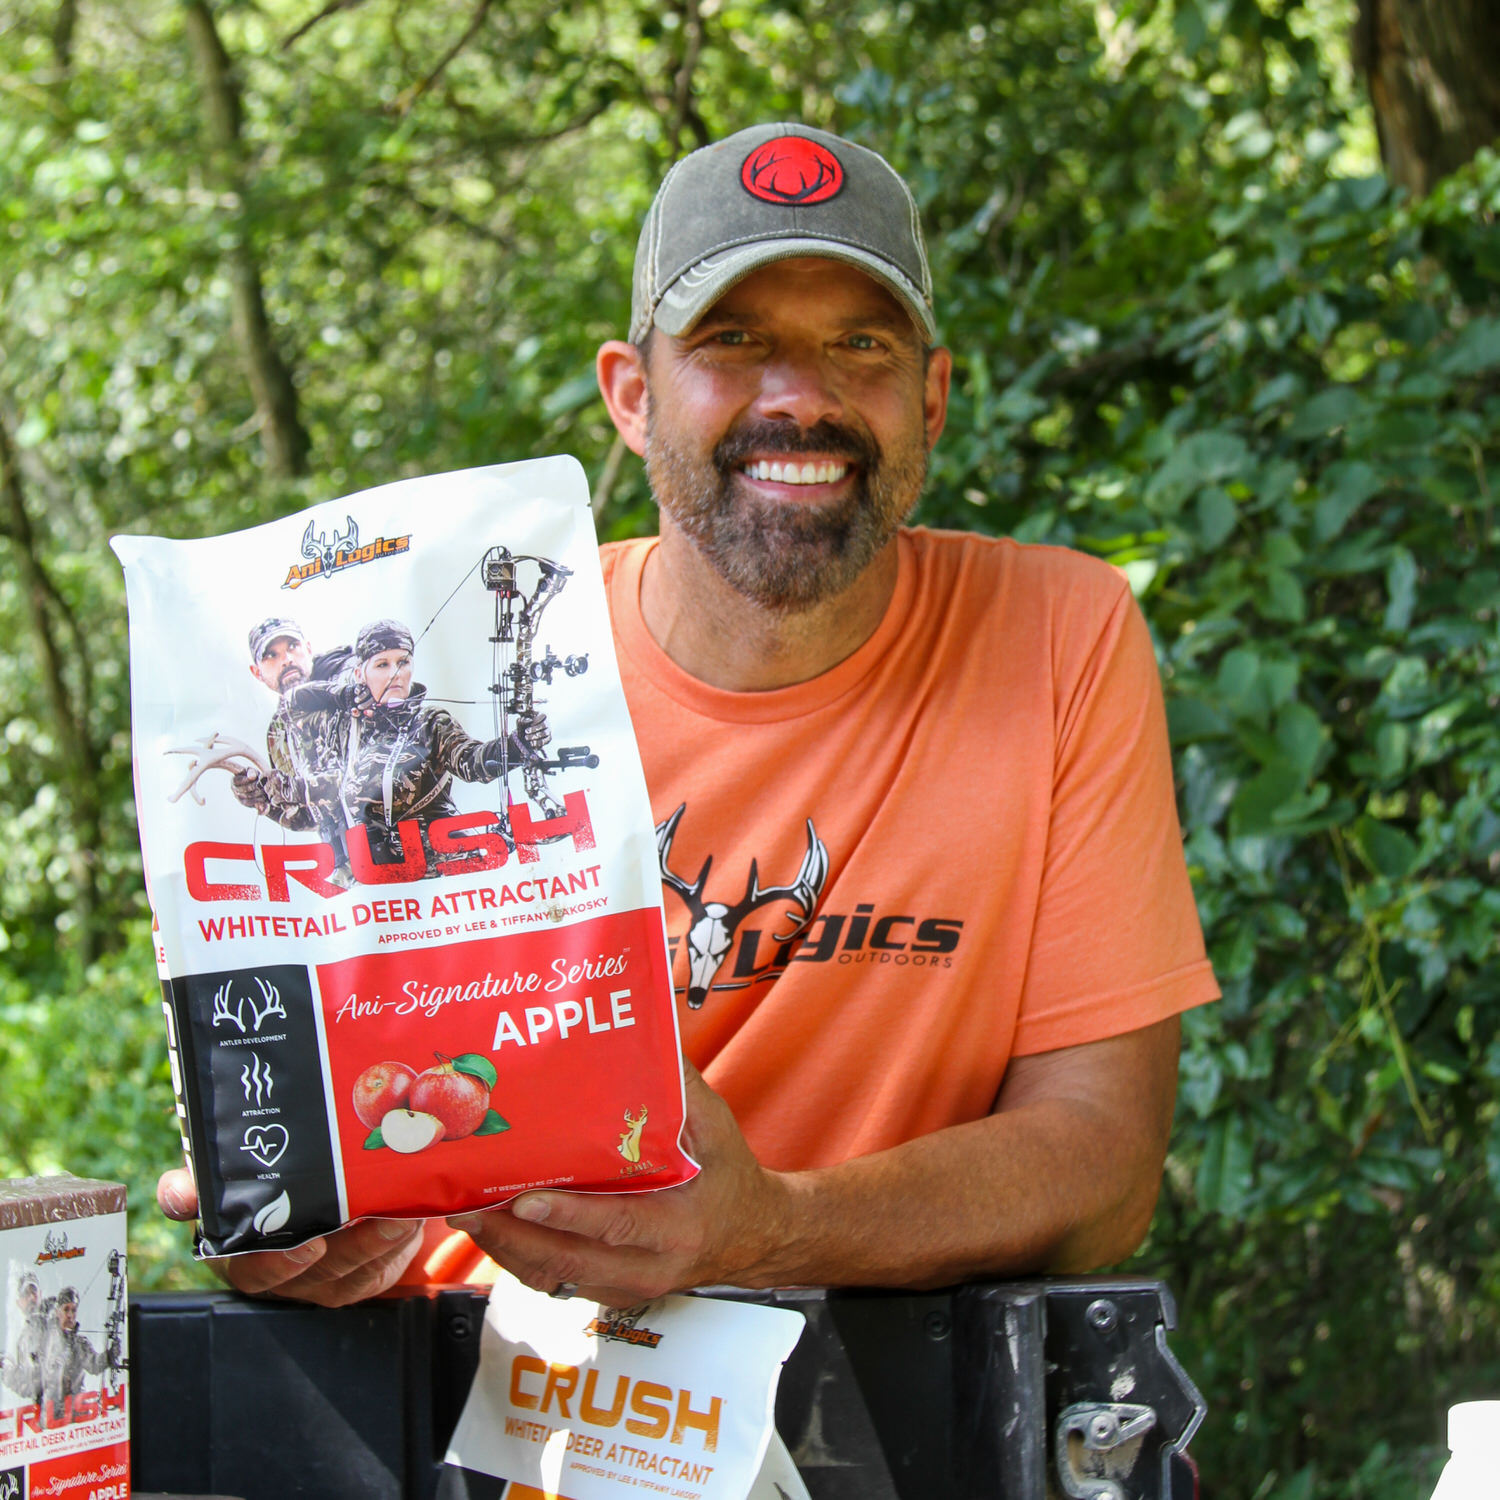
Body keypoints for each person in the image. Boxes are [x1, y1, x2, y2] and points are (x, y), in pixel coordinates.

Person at [159, 122, 1219, 1306]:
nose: (801, 399)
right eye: (733, 340)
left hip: (877, 1420)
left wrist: (771, 1228)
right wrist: (319, 1240)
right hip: (473, 1398)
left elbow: (1105, 1171)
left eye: (860, 344)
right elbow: (384, 1133)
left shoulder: (1057, 636)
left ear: (931, 394)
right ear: (631, 394)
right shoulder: (491, 665)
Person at [281, 618, 550, 876]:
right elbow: (292, 702)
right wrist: (342, 695)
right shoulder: (346, 725)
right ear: (359, 674)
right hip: (375, 881)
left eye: (403, 662)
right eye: (382, 665)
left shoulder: (430, 722)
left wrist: (519, 745)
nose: (395, 673)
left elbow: (473, 762)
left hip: (437, 874)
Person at [230, 616, 348, 833]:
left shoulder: (351, 691)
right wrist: (265, 798)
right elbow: (309, 819)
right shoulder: (279, 732)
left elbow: (370, 780)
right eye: (271, 656)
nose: (286, 659)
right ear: (257, 673)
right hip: (352, 856)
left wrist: (298, 789)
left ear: (309, 649)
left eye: (293, 646)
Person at [38, 1287, 108, 1412]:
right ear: (58, 1311)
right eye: (66, 1310)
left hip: (78, 1410)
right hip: (53, 1413)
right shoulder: (47, 1340)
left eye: (74, 1310)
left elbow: (95, 1365)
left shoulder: (80, 1343)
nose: (70, 1315)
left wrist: (109, 1356)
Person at [0, 1272, 46, 1403]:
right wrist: (6, 1366)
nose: (31, 1297)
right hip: (44, 1411)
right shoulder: (23, 1341)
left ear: (40, 1295)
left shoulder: (52, 1320)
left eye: (34, 1292)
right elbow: (27, 1387)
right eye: (26, 1294)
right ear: (19, 1302)